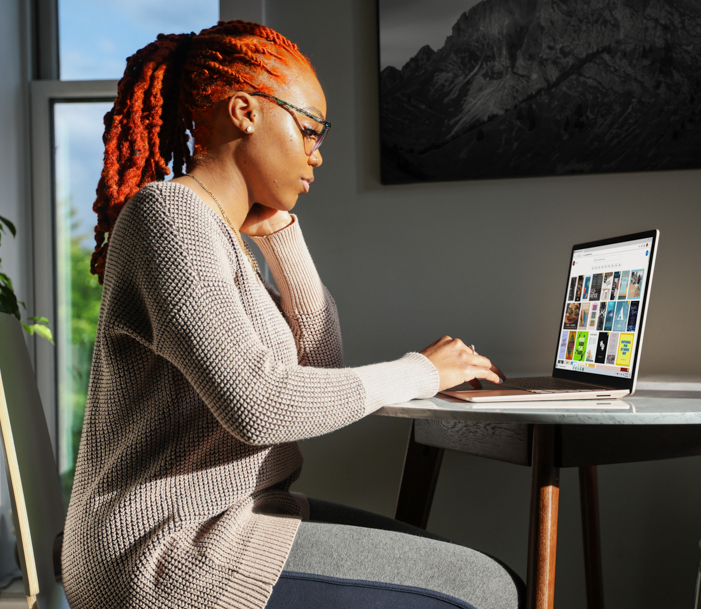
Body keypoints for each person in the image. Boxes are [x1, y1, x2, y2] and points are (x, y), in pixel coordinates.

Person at [62, 21, 522, 609]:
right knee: (488, 591)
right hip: (168, 553)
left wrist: (281, 238)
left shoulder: (220, 234)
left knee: (490, 574)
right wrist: (422, 372)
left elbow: (320, 368)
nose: (318, 155)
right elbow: (261, 406)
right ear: (245, 112)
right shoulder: (170, 219)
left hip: (240, 520)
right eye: (308, 131)